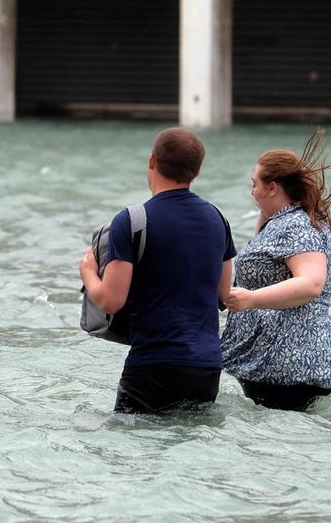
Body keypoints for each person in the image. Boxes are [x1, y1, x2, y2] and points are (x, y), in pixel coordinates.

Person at [79, 127, 236, 415]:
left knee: (129, 447)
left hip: (154, 364)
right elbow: (224, 295)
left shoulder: (131, 220)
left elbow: (111, 300)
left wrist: (88, 272)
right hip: (207, 366)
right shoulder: (218, 218)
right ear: (197, 171)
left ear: (152, 160)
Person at [220, 127, 331, 412]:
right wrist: (266, 211)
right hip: (287, 363)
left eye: (255, 184)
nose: (252, 190)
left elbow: (312, 283)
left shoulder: (295, 226)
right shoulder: (290, 219)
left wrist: (250, 299)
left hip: (291, 365)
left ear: (273, 187)